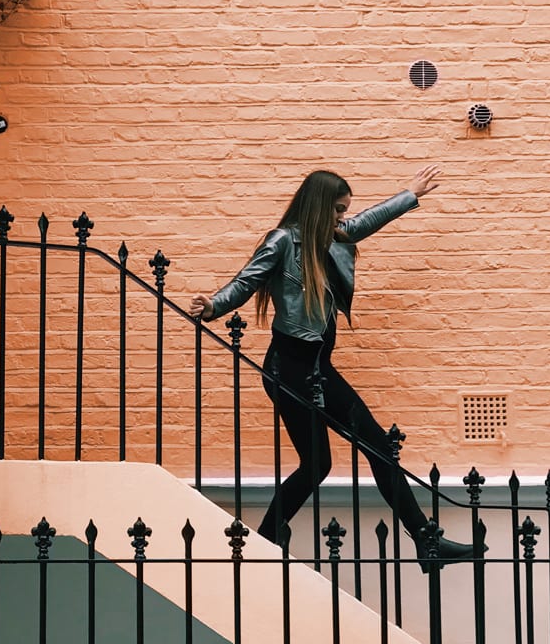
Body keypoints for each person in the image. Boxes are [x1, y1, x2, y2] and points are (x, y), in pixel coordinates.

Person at [188, 165, 477, 563]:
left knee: (366, 450)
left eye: (345, 211)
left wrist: (410, 193)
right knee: (323, 462)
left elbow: (368, 221)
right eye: (338, 209)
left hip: (318, 368)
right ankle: (270, 534)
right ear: (320, 206)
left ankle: (424, 542)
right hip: (289, 369)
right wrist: (214, 305)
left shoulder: (334, 238)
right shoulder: (282, 241)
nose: (343, 217)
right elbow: (246, 281)